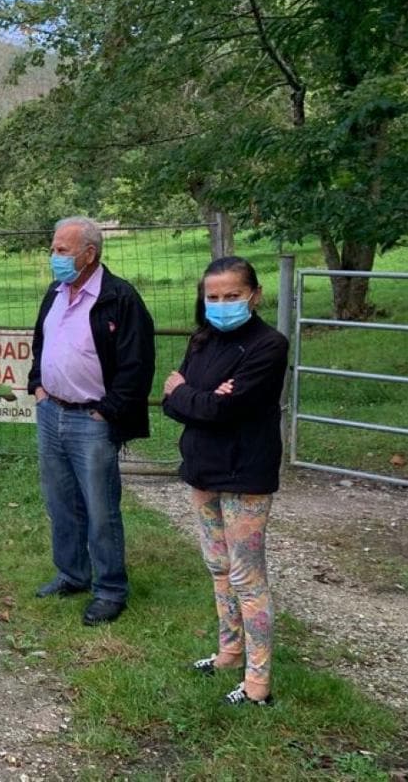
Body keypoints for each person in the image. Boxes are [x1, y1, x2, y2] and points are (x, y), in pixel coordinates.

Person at [162, 256, 288, 706]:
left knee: (247, 576)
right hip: (202, 469)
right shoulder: (202, 341)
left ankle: (258, 683)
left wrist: (188, 395)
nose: (221, 304)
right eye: (212, 297)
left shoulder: (269, 346)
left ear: (254, 294)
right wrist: (195, 398)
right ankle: (229, 651)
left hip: (245, 473)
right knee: (218, 568)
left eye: (232, 296)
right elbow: (172, 402)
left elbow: (224, 409)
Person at [27, 216, 155, 626]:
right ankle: (72, 573)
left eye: (62, 250)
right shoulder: (56, 291)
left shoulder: (120, 298)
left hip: (92, 419)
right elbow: (41, 342)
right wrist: (38, 385)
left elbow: (137, 364)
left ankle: (110, 589)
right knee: (60, 502)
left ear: (89, 255)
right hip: (52, 412)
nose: (54, 257)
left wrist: (109, 409)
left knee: (101, 508)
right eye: (53, 249)